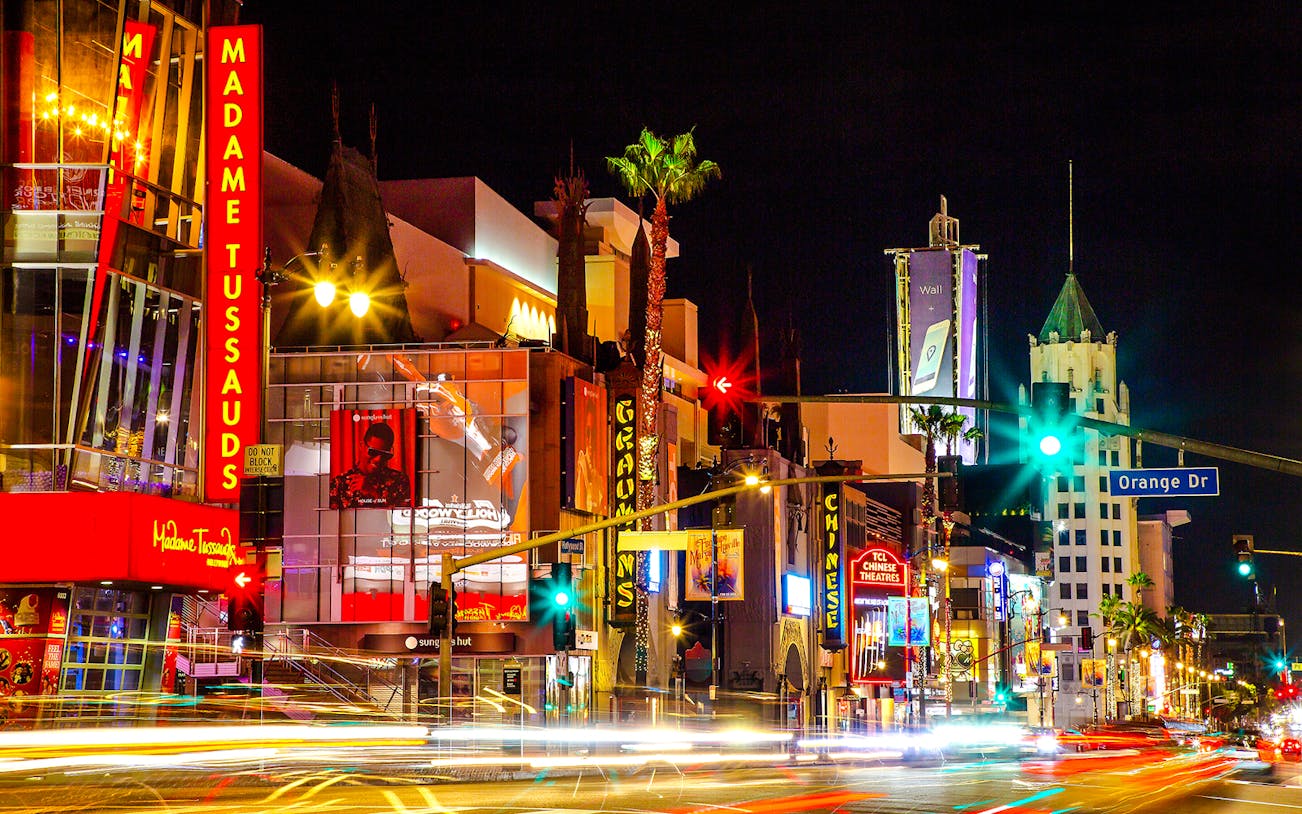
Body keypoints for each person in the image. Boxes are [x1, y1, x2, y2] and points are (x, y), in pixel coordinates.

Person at [331, 422, 411, 508]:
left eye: (384, 454)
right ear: (362, 446)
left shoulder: (399, 481)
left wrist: (373, 492)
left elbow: (402, 517)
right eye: (373, 452)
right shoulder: (339, 484)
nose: (378, 459)